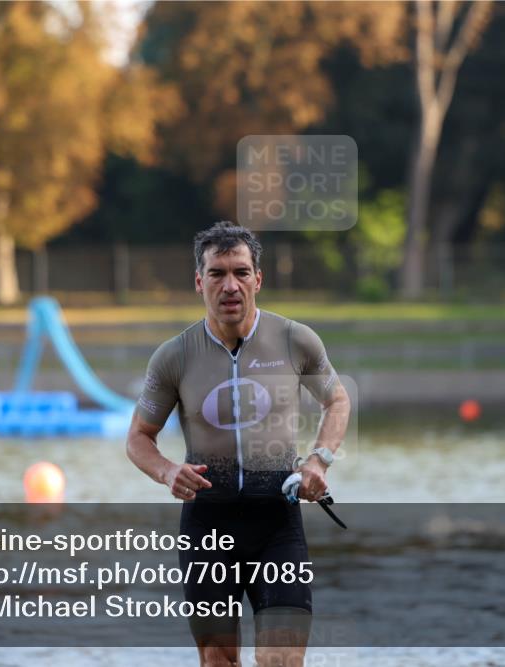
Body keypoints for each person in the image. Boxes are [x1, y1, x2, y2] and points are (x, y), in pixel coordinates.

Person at [126, 221, 351, 667]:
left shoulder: (295, 339)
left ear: (258, 279)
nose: (230, 285)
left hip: (276, 526)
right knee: (218, 660)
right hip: (208, 525)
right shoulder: (175, 356)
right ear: (198, 282)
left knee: (281, 659)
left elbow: (338, 399)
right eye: (217, 273)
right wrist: (169, 471)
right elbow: (138, 437)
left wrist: (319, 460)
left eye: (241, 272)